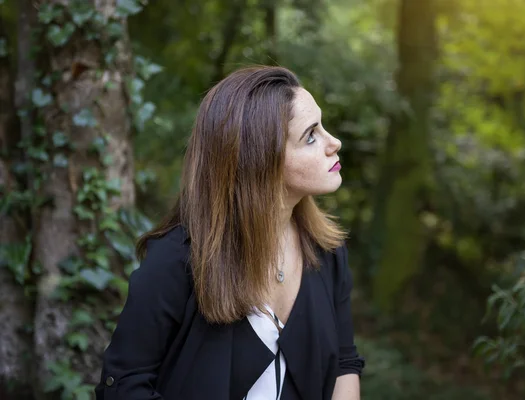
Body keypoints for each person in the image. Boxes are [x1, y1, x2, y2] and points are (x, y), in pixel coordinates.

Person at [95, 65, 365, 400]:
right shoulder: (178, 260)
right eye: (310, 136)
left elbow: (344, 364)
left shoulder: (327, 252)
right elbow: (123, 385)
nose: (334, 142)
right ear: (259, 160)